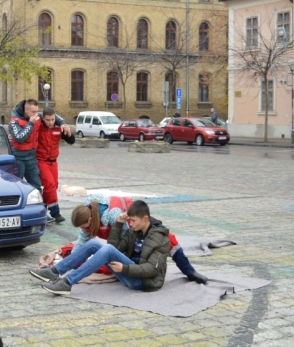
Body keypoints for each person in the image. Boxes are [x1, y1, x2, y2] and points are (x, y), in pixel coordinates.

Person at [30, 200, 170, 295]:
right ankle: (55, 271)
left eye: (133, 221)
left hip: (143, 282)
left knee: (107, 250)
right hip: (130, 271)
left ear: (145, 219)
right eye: (129, 220)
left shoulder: (159, 238)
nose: (131, 224)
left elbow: (152, 269)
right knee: (94, 243)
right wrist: (119, 224)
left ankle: (67, 282)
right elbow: (115, 247)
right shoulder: (134, 231)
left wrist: (124, 268)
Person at [70, 194, 208, 284]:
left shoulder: (115, 215)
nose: (83, 229)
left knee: (168, 239)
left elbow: (126, 241)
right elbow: (83, 242)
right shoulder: (87, 218)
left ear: (90, 219)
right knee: (110, 267)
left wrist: (127, 267)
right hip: (120, 232)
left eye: (83, 225)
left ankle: (189, 271)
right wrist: (73, 260)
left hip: (132, 219)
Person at [8, 99, 68, 197]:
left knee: (36, 187)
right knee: (17, 187)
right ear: (26, 110)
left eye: (37, 111)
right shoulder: (14, 121)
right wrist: (30, 124)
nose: (36, 114)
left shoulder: (36, 116)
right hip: (19, 159)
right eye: (34, 112)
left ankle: (39, 209)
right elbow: (20, 138)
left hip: (32, 158)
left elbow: (52, 116)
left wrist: (62, 123)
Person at [37, 107, 75, 224]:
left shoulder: (58, 128)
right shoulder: (38, 127)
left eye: (53, 119)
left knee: (54, 186)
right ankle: (55, 212)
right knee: (49, 184)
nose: (50, 122)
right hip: (41, 160)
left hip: (53, 161)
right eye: (48, 120)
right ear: (43, 119)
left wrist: (68, 132)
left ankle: (41, 211)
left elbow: (71, 141)